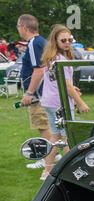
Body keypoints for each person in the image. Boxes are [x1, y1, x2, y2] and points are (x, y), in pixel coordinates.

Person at [39, 25, 90, 181]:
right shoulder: (61, 60)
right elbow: (66, 85)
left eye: (70, 39)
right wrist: (81, 103)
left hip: (49, 102)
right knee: (67, 137)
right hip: (59, 104)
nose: (67, 43)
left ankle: (47, 171)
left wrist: (71, 88)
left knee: (57, 137)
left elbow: (58, 82)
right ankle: (75, 168)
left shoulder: (51, 58)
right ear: (55, 41)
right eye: (63, 40)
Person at [17, 14, 52, 169]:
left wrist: (29, 93)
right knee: (46, 126)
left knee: (43, 126)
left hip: (39, 94)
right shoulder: (42, 42)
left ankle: (47, 158)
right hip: (45, 93)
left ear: (24, 27)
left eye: (18, 27)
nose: (18, 30)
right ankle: (51, 155)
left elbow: (38, 70)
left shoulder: (33, 43)